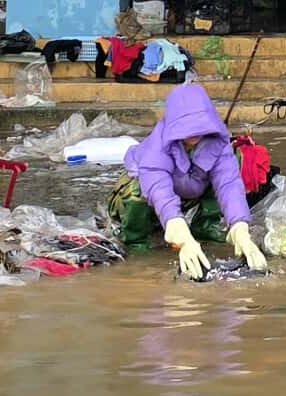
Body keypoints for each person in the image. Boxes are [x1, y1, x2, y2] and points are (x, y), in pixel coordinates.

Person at [112, 83, 267, 278]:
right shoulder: (157, 146)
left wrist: (240, 227)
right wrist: (179, 231)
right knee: (136, 191)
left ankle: (204, 226)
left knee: (235, 157)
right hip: (149, 193)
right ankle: (136, 239)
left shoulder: (216, 141)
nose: (193, 132)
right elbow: (158, 188)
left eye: (199, 124)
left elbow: (229, 184)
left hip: (190, 189)